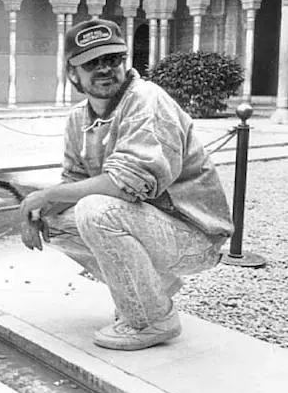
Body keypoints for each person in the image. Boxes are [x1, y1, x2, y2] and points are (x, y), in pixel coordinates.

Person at [19, 18, 233, 351]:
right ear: (73, 73)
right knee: (55, 221)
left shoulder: (147, 100)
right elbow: (75, 179)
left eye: (113, 59)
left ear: (124, 61)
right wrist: (36, 212)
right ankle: (151, 287)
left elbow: (129, 185)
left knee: (96, 211)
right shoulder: (79, 118)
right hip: (151, 226)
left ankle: (153, 320)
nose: (104, 69)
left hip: (194, 236)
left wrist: (47, 195)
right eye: (92, 63)